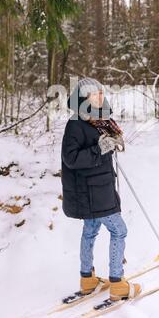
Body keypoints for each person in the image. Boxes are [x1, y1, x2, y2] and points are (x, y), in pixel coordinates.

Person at [61, 77, 141, 301]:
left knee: (90, 231)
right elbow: (71, 159)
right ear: (82, 98)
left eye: (100, 92)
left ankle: (87, 280)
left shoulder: (100, 120)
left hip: (99, 187)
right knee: (119, 230)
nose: (99, 96)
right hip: (93, 192)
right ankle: (118, 284)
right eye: (93, 94)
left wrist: (112, 143)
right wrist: (100, 148)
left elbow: (104, 145)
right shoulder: (76, 124)